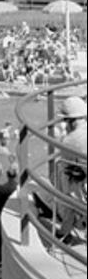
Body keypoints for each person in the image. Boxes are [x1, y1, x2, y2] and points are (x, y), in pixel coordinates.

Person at [55, 96, 87, 242]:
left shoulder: (69, 141)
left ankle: (64, 230)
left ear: (70, 121)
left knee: (62, 174)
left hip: (80, 191)